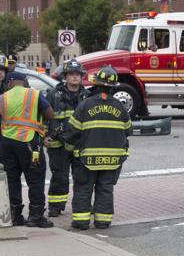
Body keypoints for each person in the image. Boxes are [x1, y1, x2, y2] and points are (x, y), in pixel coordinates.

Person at [63, 66, 131, 230]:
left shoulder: (85, 105)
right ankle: (103, 221)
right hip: (113, 160)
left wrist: (68, 148)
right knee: (105, 189)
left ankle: (81, 222)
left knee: (83, 188)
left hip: (87, 159)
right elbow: (128, 129)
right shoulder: (120, 106)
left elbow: (72, 131)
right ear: (113, 87)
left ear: (96, 84)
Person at [0, 71, 55, 228]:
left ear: (9, 84)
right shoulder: (33, 95)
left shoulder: (3, 98)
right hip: (29, 144)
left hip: (6, 145)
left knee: (12, 179)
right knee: (35, 179)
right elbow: (51, 114)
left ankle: (15, 216)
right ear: (24, 81)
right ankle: (36, 216)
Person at [44, 59, 90, 217]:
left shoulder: (87, 96)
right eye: (72, 74)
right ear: (66, 76)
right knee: (59, 177)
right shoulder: (53, 95)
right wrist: (44, 135)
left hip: (79, 144)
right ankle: (55, 207)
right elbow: (43, 117)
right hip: (58, 145)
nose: (75, 77)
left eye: (78, 74)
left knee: (82, 179)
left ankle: (82, 206)